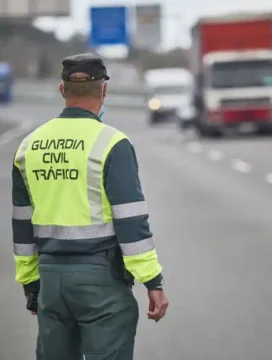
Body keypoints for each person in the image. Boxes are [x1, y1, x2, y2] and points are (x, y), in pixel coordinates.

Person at [11, 53, 169, 360]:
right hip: (100, 282)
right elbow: (131, 222)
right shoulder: (112, 143)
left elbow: (22, 225)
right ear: (104, 90)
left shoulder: (28, 146)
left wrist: (31, 284)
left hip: (51, 280)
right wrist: (153, 281)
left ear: (62, 90)